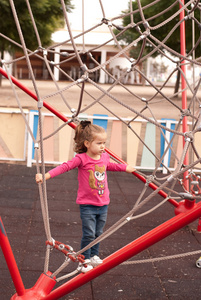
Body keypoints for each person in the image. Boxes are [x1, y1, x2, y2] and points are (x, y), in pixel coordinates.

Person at [35, 120, 136, 273]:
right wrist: (46, 175)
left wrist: (125, 167)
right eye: (99, 143)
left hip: (103, 203)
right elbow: (65, 167)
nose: (103, 146)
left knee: (98, 233)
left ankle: (94, 255)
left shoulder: (104, 157)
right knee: (89, 233)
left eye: (104, 143)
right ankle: (84, 260)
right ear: (87, 143)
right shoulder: (81, 159)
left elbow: (112, 166)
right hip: (88, 204)